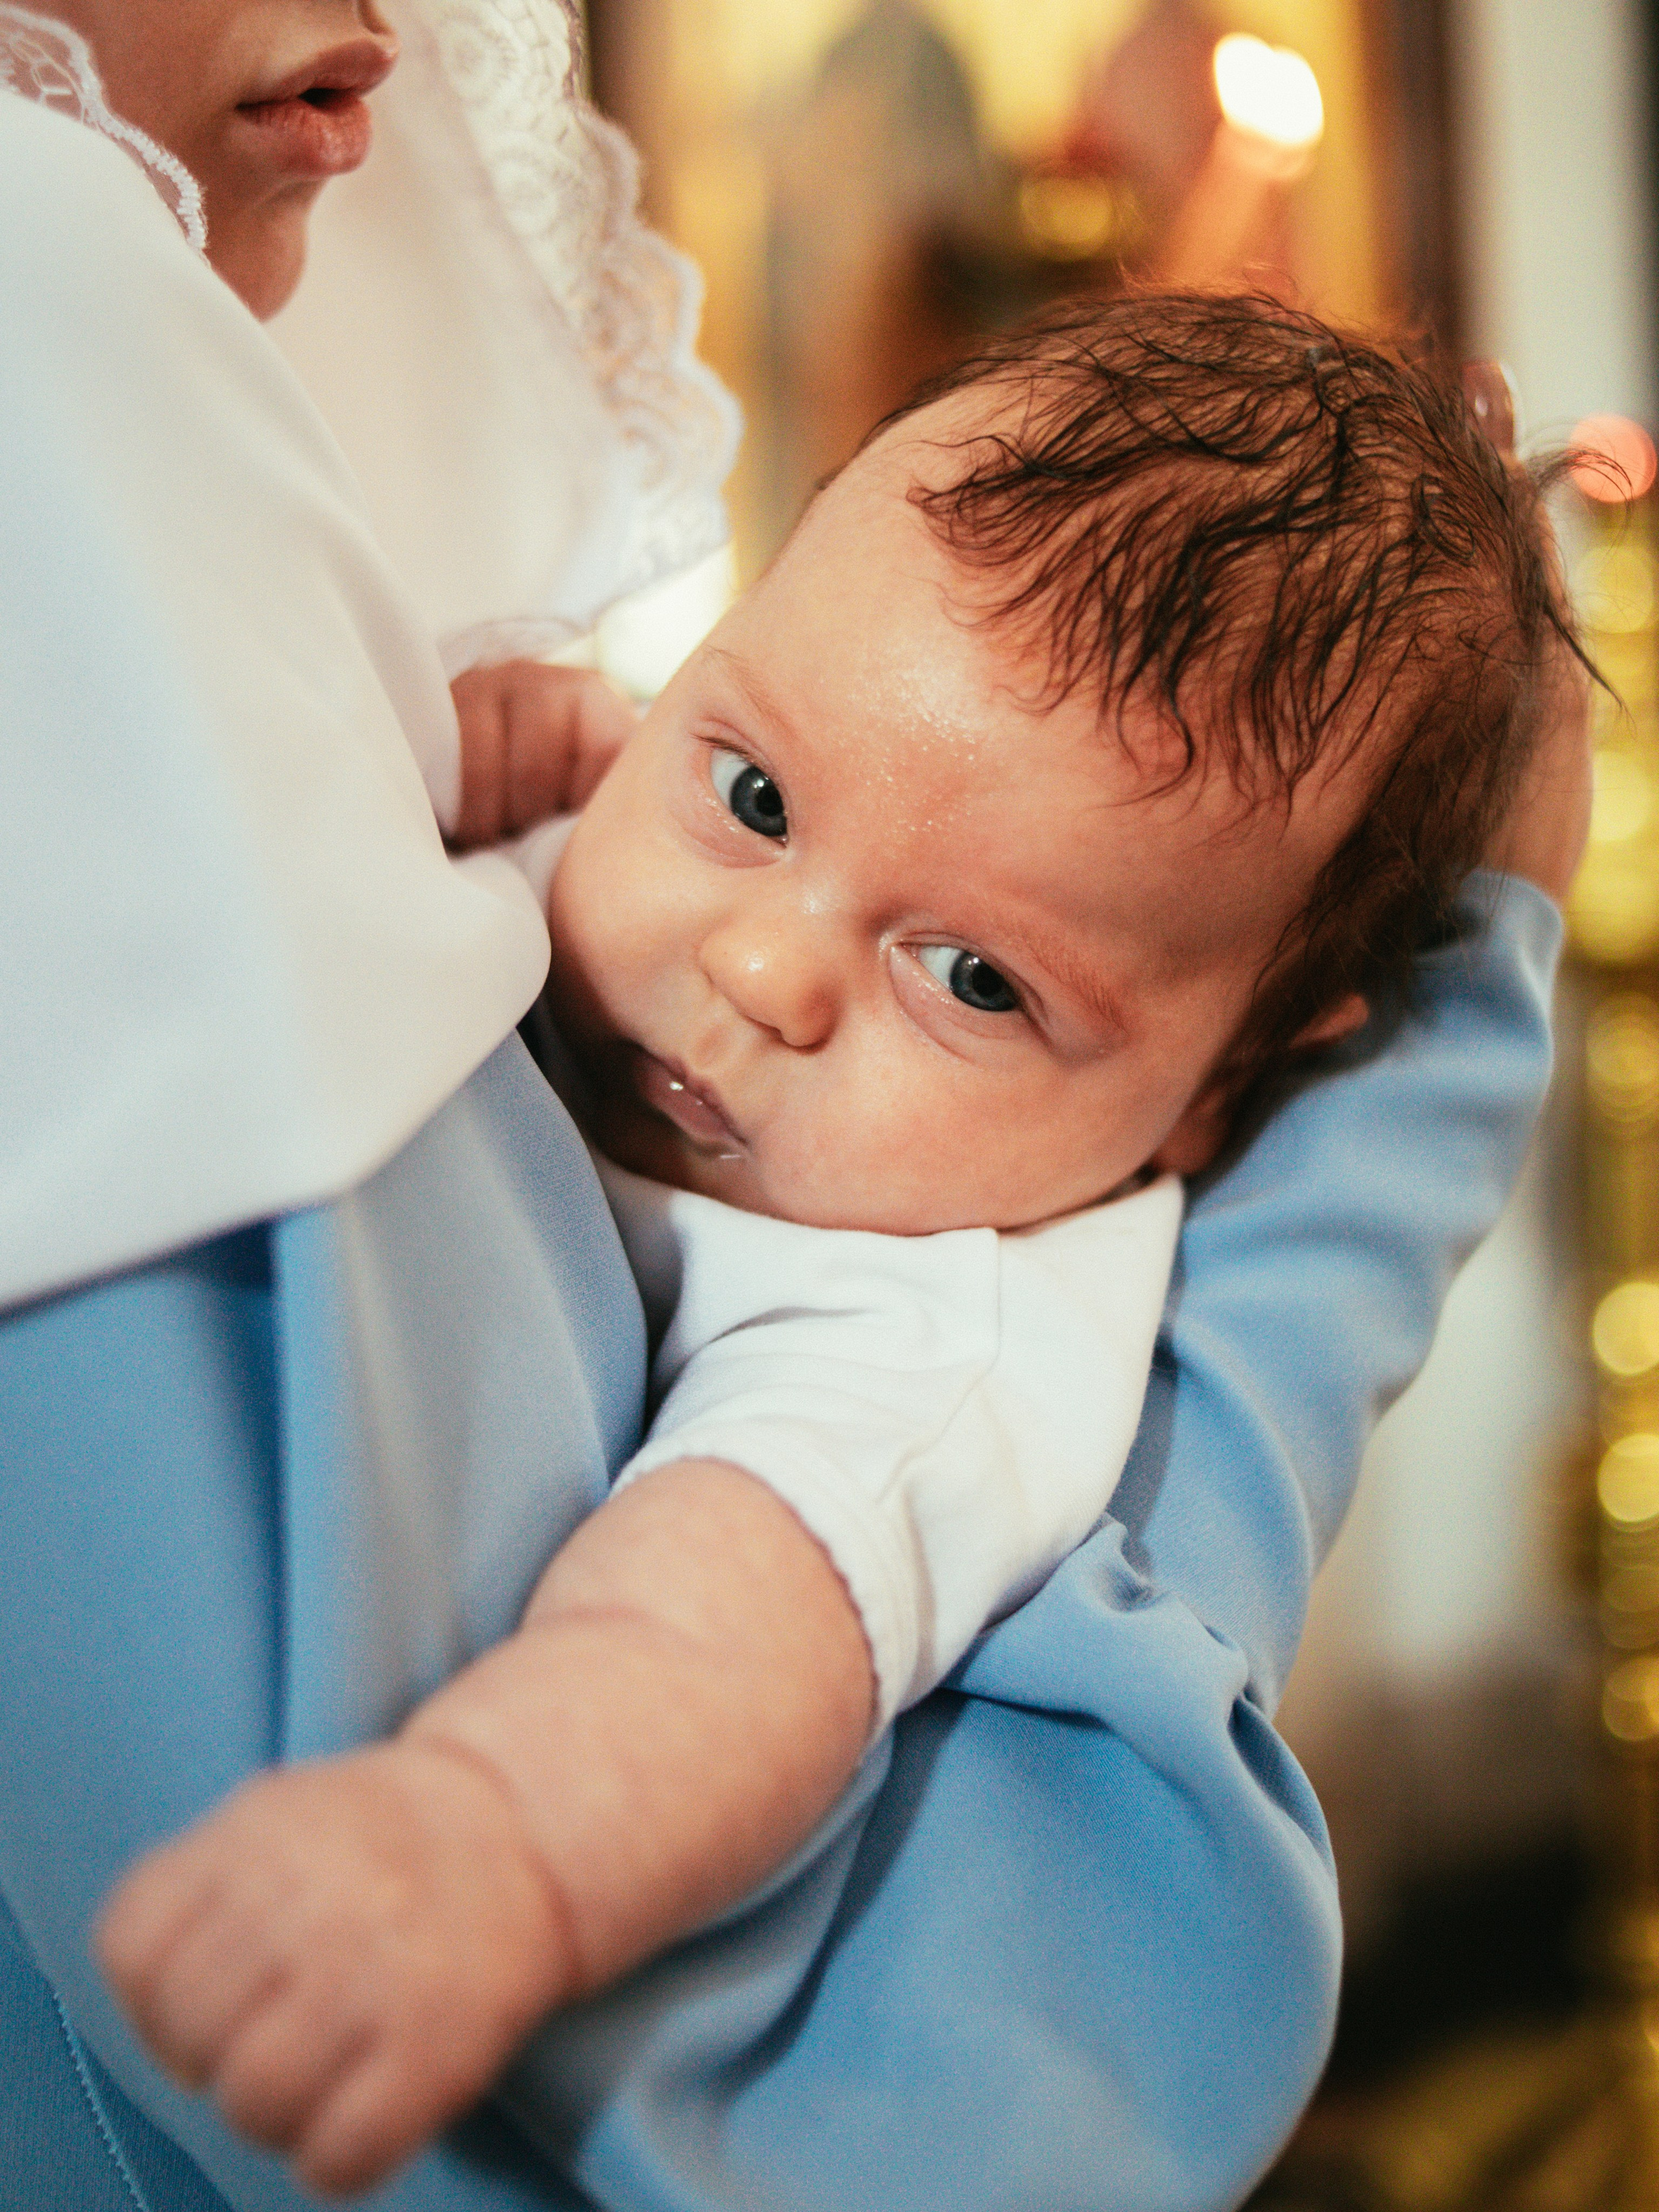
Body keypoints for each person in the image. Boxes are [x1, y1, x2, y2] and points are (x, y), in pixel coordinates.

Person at [0, 6, 1584, 2212]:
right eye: (750, 790)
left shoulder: (941, 1334)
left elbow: (713, 1630)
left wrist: (476, 1850)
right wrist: (479, 741)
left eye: (977, 979)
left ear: (1216, 1106)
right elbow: (486, 760)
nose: (764, 968)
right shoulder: (628, 814)